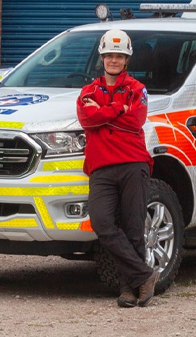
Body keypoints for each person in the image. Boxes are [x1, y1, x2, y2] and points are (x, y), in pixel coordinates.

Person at [76, 29, 159, 308]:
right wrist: (117, 108)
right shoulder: (87, 91)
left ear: (127, 59)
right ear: (102, 57)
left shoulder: (137, 89)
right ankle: (145, 275)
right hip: (101, 167)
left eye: (119, 55)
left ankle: (128, 289)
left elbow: (134, 122)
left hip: (134, 164)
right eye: (109, 55)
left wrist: (103, 110)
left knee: (134, 229)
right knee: (102, 223)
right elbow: (87, 120)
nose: (114, 60)